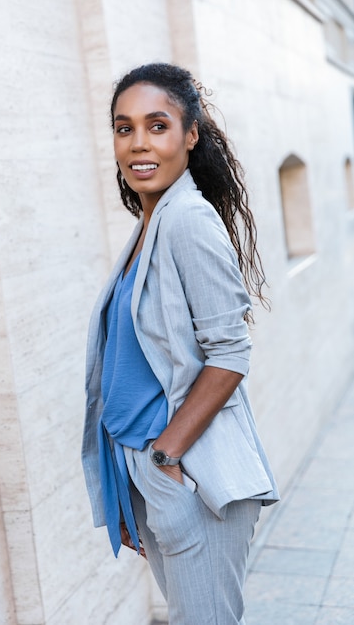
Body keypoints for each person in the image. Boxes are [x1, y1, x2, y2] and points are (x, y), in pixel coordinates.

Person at [82, 62, 279, 625]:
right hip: (147, 470)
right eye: (124, 128)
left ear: (190, 135)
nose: (139, 143)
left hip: (187, 475)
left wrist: (165, 459)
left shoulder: (188, 220)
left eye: (158, 125)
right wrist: (132, 477)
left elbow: (230, 353)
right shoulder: (151, 224)